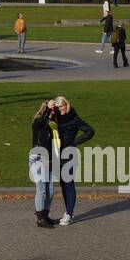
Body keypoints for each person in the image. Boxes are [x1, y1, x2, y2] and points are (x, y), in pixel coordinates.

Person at [52, 96, 95, 225]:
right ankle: (68, 211)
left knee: (68, 182)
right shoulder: (55, 118)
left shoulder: (74, 118)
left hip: (70, 154)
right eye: (57, 107)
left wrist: (74, 143)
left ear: (67, 105)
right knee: (63, 184)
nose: (60, 109)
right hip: (57, 154)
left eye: (62, 106)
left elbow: (90, 131)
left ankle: (69, 213)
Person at [30, 100, 60, 228]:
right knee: (41, 189)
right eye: (51, 111)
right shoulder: (38, 123)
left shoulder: (53, 125)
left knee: (51, 190)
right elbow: (42, 122)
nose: (53, 114)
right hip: (38, 157)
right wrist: (48, 109)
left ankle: (45, 215)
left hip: (50, 159)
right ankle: (40, 219)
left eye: (54, 112)